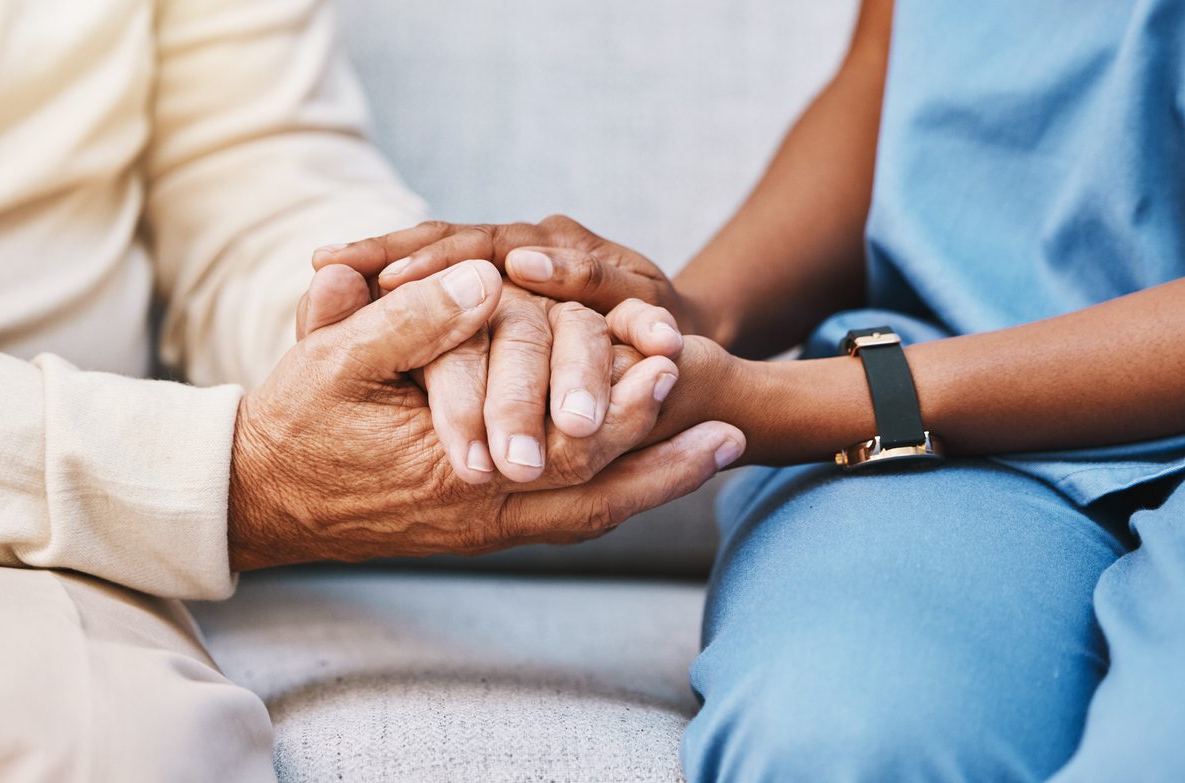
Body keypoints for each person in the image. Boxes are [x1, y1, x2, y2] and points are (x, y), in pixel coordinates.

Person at [0, 1, 743, 778]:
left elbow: (248, 175)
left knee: (98, 746)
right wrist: (219, 475)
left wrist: (413, 327)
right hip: (6, 479)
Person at [320, 0, 1185, 778]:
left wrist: (801, 402)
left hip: (899, 401)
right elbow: (892, 69)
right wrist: (682, 315)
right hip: (957, 451)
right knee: (838, 736)